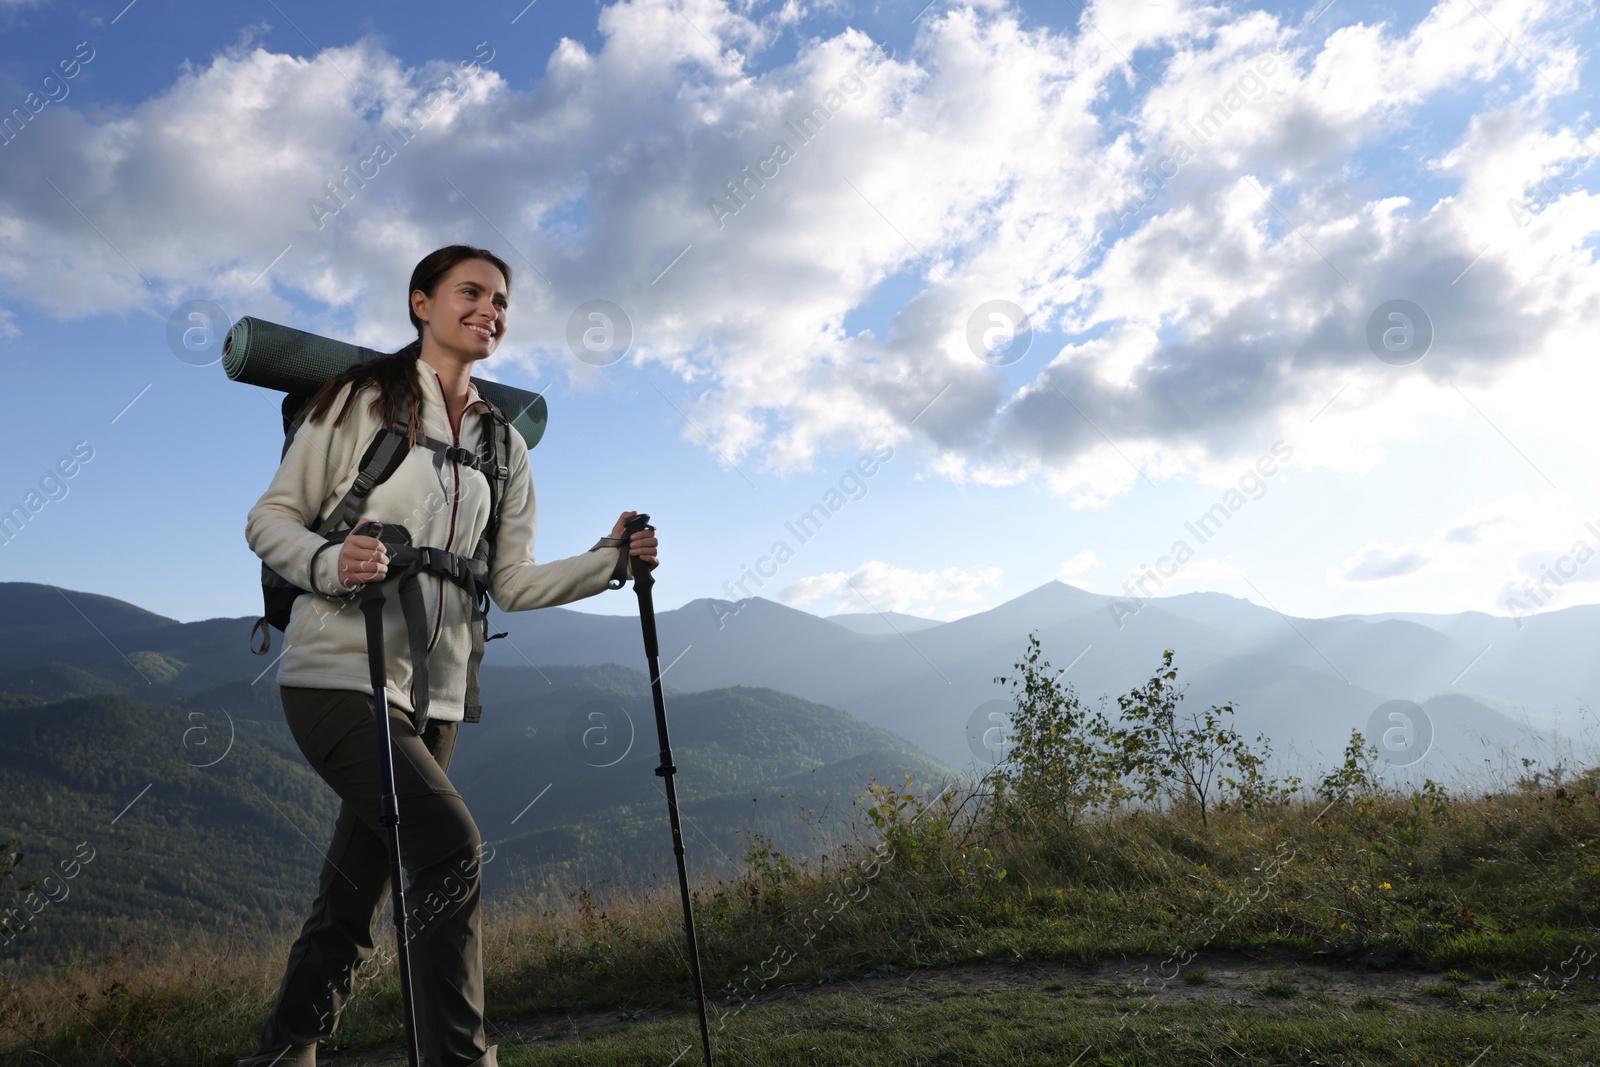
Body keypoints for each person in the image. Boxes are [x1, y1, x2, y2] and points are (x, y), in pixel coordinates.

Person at [237, 244, 658, 1067]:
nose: (491, 310)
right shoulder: (358, 401)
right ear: (421, 303)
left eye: (501, 301)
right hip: (335, 673)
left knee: (357, 892)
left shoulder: (505, 446)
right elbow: (271, 518)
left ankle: (284, 1049)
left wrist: (610, 559)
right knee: (450, 845)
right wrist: (330, 562)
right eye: (472, 292)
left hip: (436, 700)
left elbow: (512, 582)